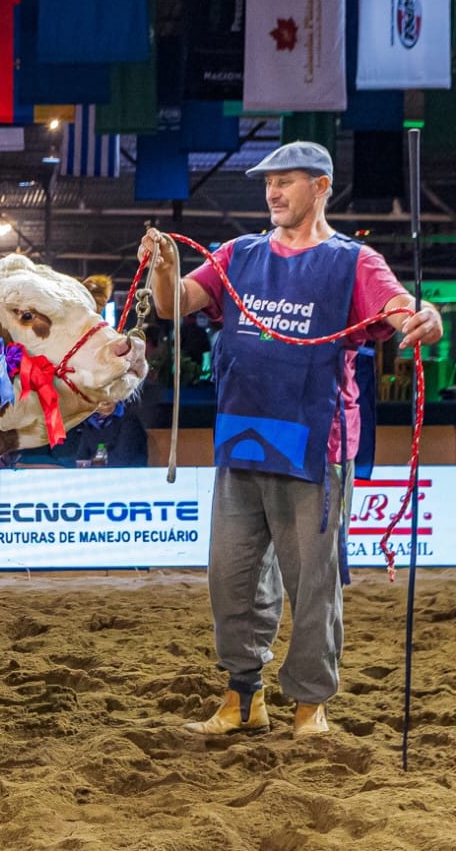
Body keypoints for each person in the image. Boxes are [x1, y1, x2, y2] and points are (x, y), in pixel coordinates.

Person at [139, 141, 444, 737]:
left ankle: (309, 705)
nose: (273, 192)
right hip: (243, 441)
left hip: (316, 449)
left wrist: (424, 317)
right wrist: (165, 266)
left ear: (321, 186)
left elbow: (400, 308)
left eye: (285, 181)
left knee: (313, 587)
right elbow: (173, 304)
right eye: (268, 183)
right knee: (230, 579)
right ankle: (242, 698)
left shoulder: (354, 262)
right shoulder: (238, 253)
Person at [72, 275, 149, 468]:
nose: (104, 402)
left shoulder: (128, 421)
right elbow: (80, 460)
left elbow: (123, 459)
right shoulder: (90, 422)